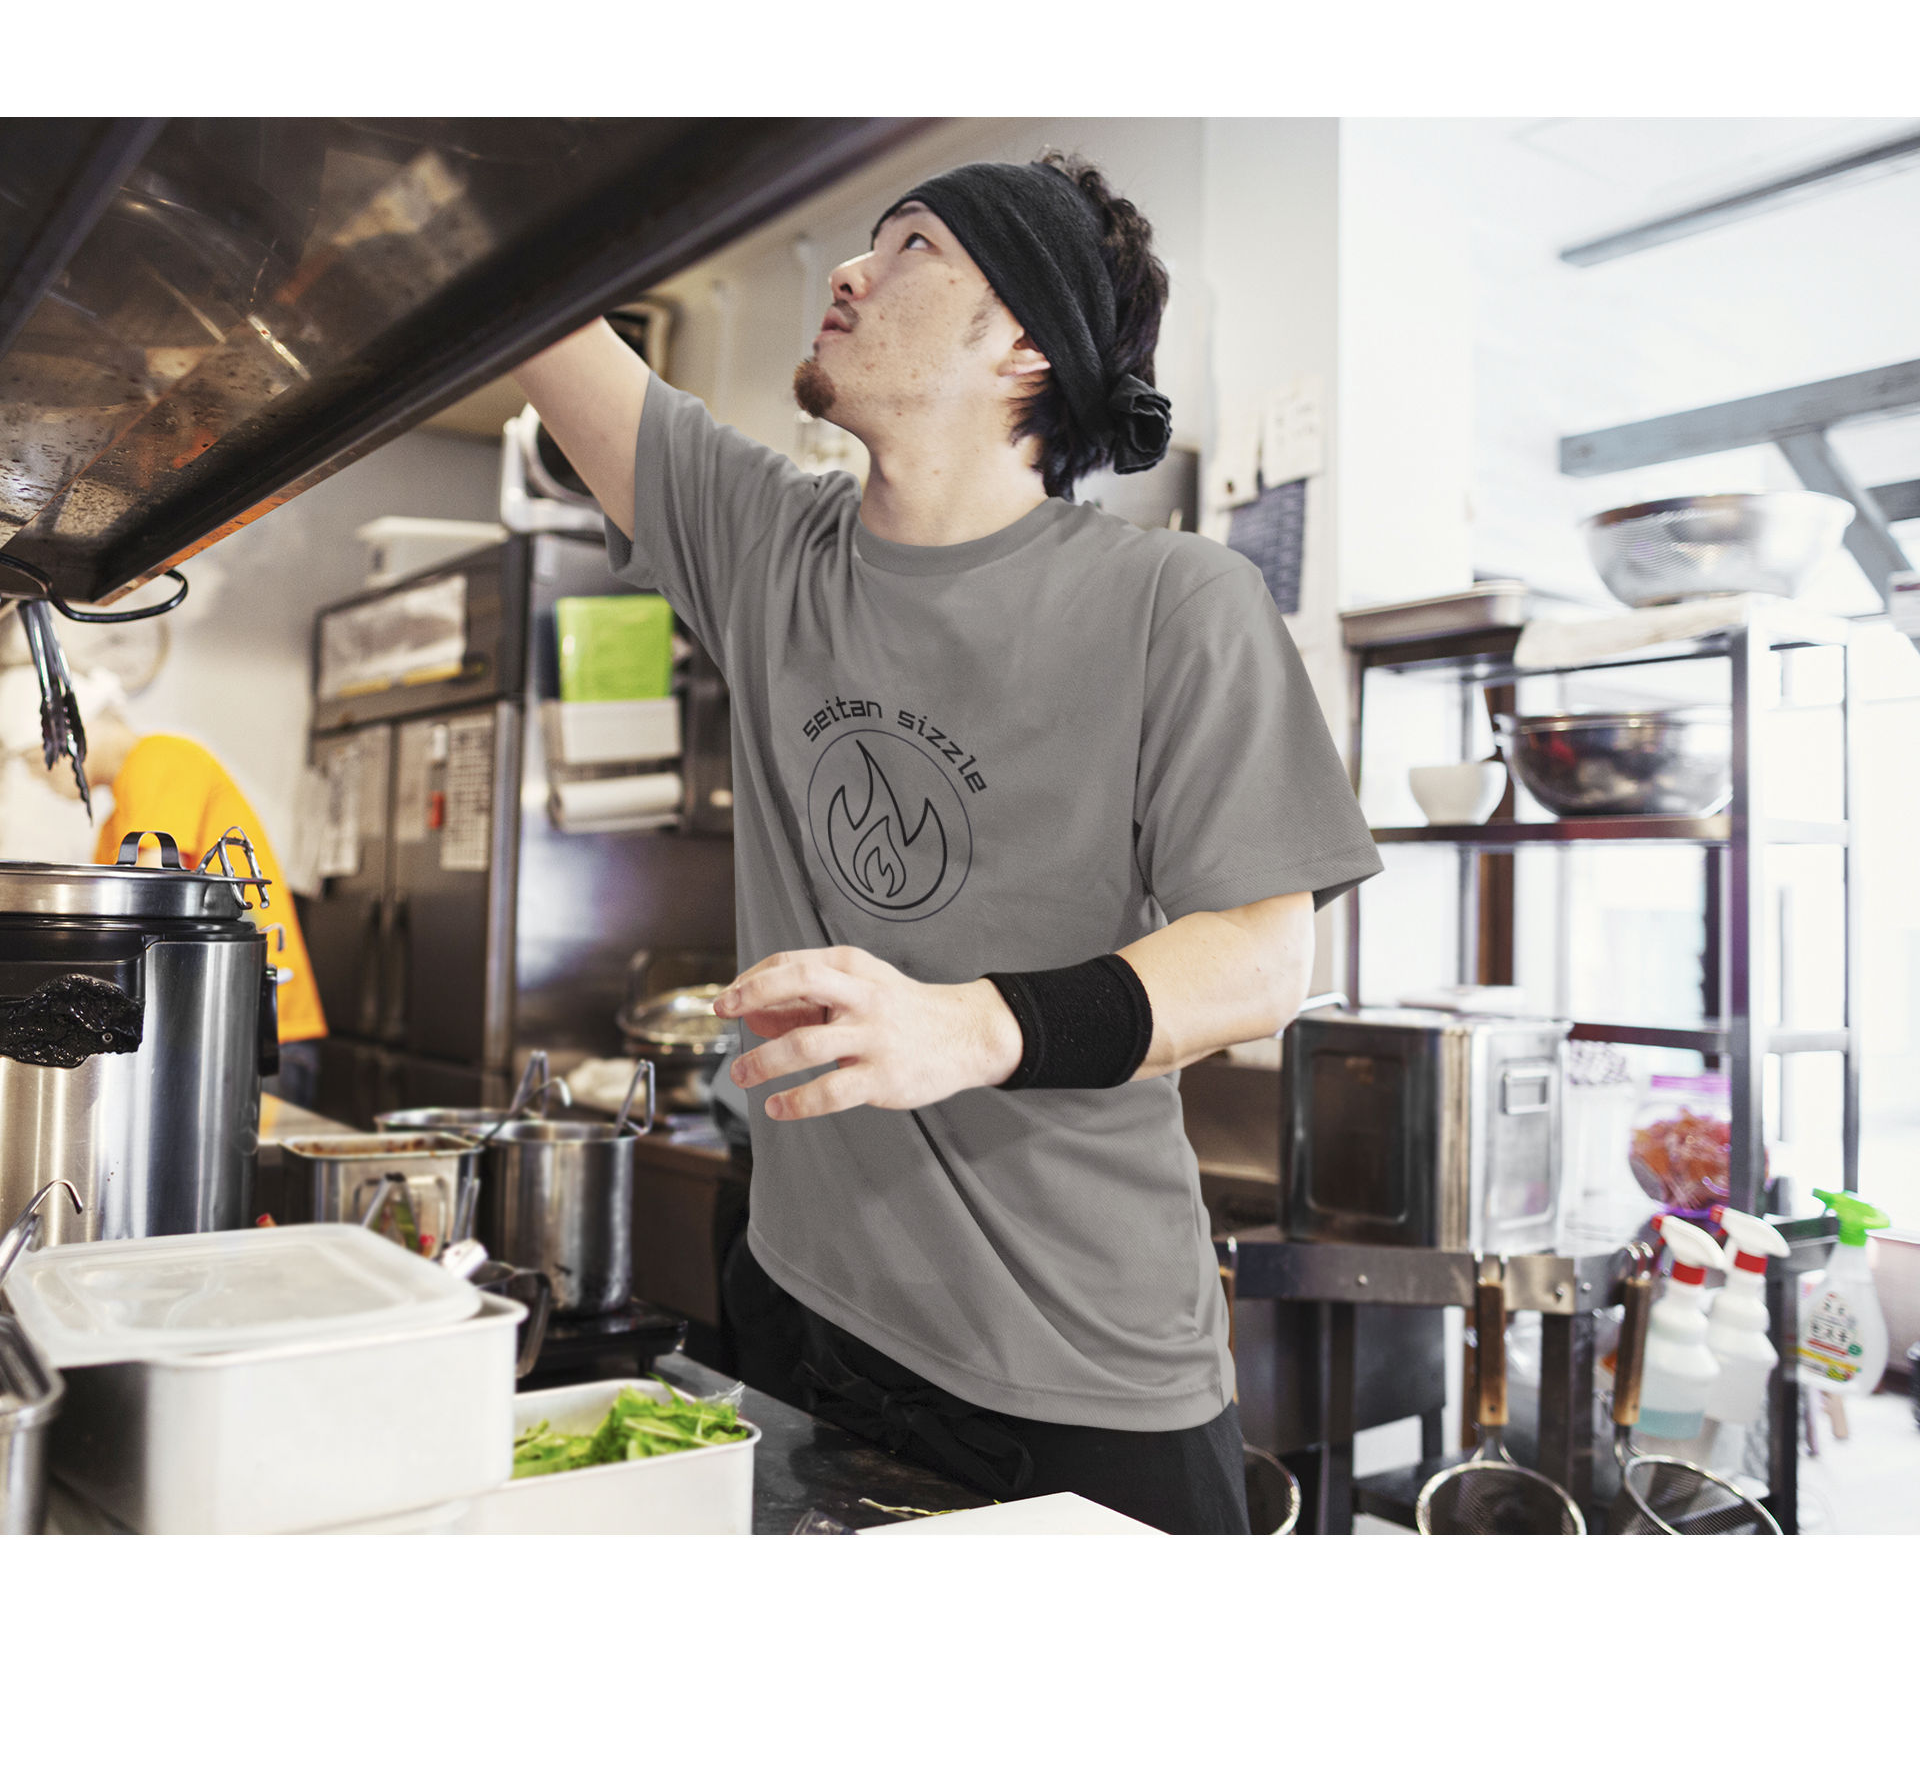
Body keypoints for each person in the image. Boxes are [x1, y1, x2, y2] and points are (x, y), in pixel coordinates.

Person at [515, 151, 1382, 1533]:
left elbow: (1260, 964)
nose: (849, 271)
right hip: (806, 1314)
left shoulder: (1178, 602)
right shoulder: (767, 548)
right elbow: (533, 317)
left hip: (1079, 1369)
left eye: (911, 245)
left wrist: (972, 1029)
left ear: (1027, 344)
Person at [87, 721, 327, 1104]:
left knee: (245, 1162)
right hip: (200, 1031)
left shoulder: (159, 756)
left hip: (251, 1026)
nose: (38, 771)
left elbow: (154, 892)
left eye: (36, 754)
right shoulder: (114, 825)